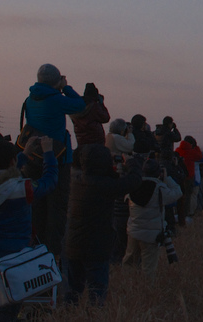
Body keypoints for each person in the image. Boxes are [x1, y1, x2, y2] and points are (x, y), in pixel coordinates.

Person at [0, 137, 58, 322]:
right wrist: (48, 153)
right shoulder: (24, 188)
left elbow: (4, 175)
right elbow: (50, 181)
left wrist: (23, 155)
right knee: (5, 315)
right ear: (12, 161)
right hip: (14, 260)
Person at [64, 143, 141, 305]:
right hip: (96, 248)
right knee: (97, 293)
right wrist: (131, 163)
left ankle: (69, 314)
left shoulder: (77, 180)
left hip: (73, 245)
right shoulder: (104, 186)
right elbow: (133, 181)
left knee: (73, 291)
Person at [22, 63, 85, 256]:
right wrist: (66, 87)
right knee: (57, 207)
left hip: (33, 157)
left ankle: (36, 247)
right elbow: (81, 106)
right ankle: (53, 253)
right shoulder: (58, 99)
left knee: (37, 206)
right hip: (58, 158)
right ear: (55, 80)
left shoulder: (30, 99)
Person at [122, 158, 182, 278]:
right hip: (151, 236)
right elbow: (178, 192)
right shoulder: (160, 189)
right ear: (158, 173)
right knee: (148, 269)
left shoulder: (134, 185)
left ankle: (126, 288)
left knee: (128, 263)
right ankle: (147, 292)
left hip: (133, 232)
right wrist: (167, 178)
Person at [70, 82, 110, 147]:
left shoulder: (77, 107)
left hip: (81, 141)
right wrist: (101, 104)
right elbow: (106, 118)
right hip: (96, 141)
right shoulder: (94, 106)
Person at [175, 135, 203, 222]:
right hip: (189, 177)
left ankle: (177, 213)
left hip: (178, 176)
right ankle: (186, 214)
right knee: (187, 196)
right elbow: (200, 157)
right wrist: (196, 147)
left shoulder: (178, 150)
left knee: (178, 195)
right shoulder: (191, 151)